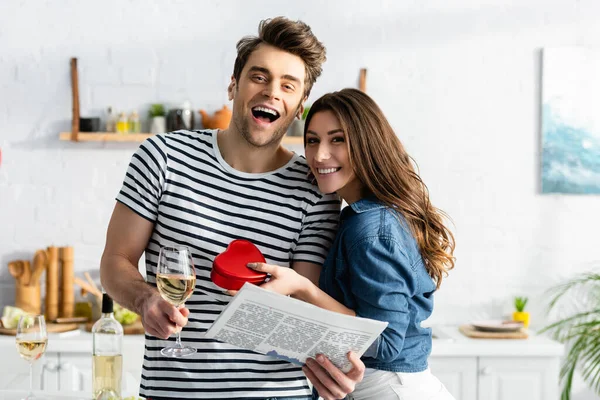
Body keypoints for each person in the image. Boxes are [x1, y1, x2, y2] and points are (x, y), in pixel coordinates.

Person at [100, 18, 364, 400]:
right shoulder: (162, 158)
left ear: (300, 106)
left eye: (288, 85)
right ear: (233, 84)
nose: (272, 92)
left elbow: (304, 308)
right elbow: (115, 260)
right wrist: (145, 299)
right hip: (173, 394)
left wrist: (335, 368)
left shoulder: (315, 191)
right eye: (260, 77)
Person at [247, 88, 457, 400]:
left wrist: (303, 288)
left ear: (367, 144)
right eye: (313, 140)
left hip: (388, 388)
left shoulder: (371, 228)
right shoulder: (365, 216)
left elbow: (385, 343)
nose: (319, 155)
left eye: (338, 140)